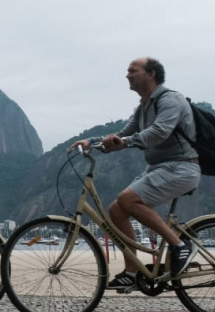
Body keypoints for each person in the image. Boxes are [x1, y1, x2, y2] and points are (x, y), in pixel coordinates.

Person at [70, 57, 200, 293]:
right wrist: (92, 141)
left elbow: (159, 132)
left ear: (151, 74)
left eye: (132, 70)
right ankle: (132, 272)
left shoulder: (171, 99)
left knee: (128, 199)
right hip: (159, 167)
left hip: (181, 167)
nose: (127, 75)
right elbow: (124, 133)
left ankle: (180, 244)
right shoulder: (143, 107)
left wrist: (124, 142)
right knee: (116, 209)